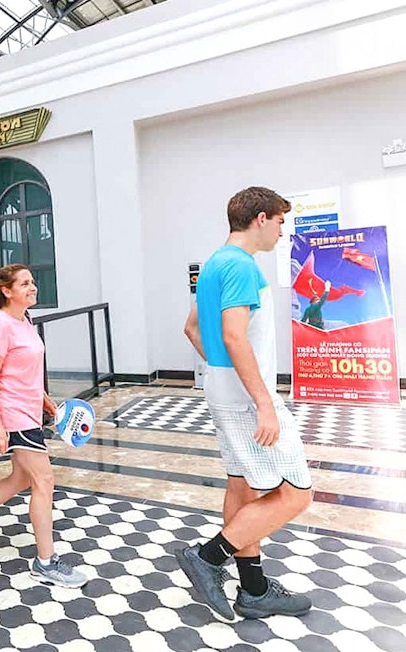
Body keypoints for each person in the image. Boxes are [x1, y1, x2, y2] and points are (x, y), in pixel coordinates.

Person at [181, 186, 313, 620]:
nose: (281, 231)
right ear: (260, 219)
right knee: (296, 494)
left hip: (223, 390)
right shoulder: (240, 265)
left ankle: (254, 589)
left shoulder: (215, 262)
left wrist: (220, 370)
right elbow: (235, 336)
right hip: (245, 399)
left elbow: (192, 329)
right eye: (279, 222)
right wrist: (264, 403)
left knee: (241, 486)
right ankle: (208, 558)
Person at [0, 264, 88, 588]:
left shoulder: (25, 320)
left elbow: (24, 371)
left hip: (29, 410)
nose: (32, 287)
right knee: (44, 479)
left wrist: (45, 400)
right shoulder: (1, 325)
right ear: (6, 290)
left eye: (33, 282)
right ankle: (45, 562)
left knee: (21, 477)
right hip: (13, 414)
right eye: (25, 283)